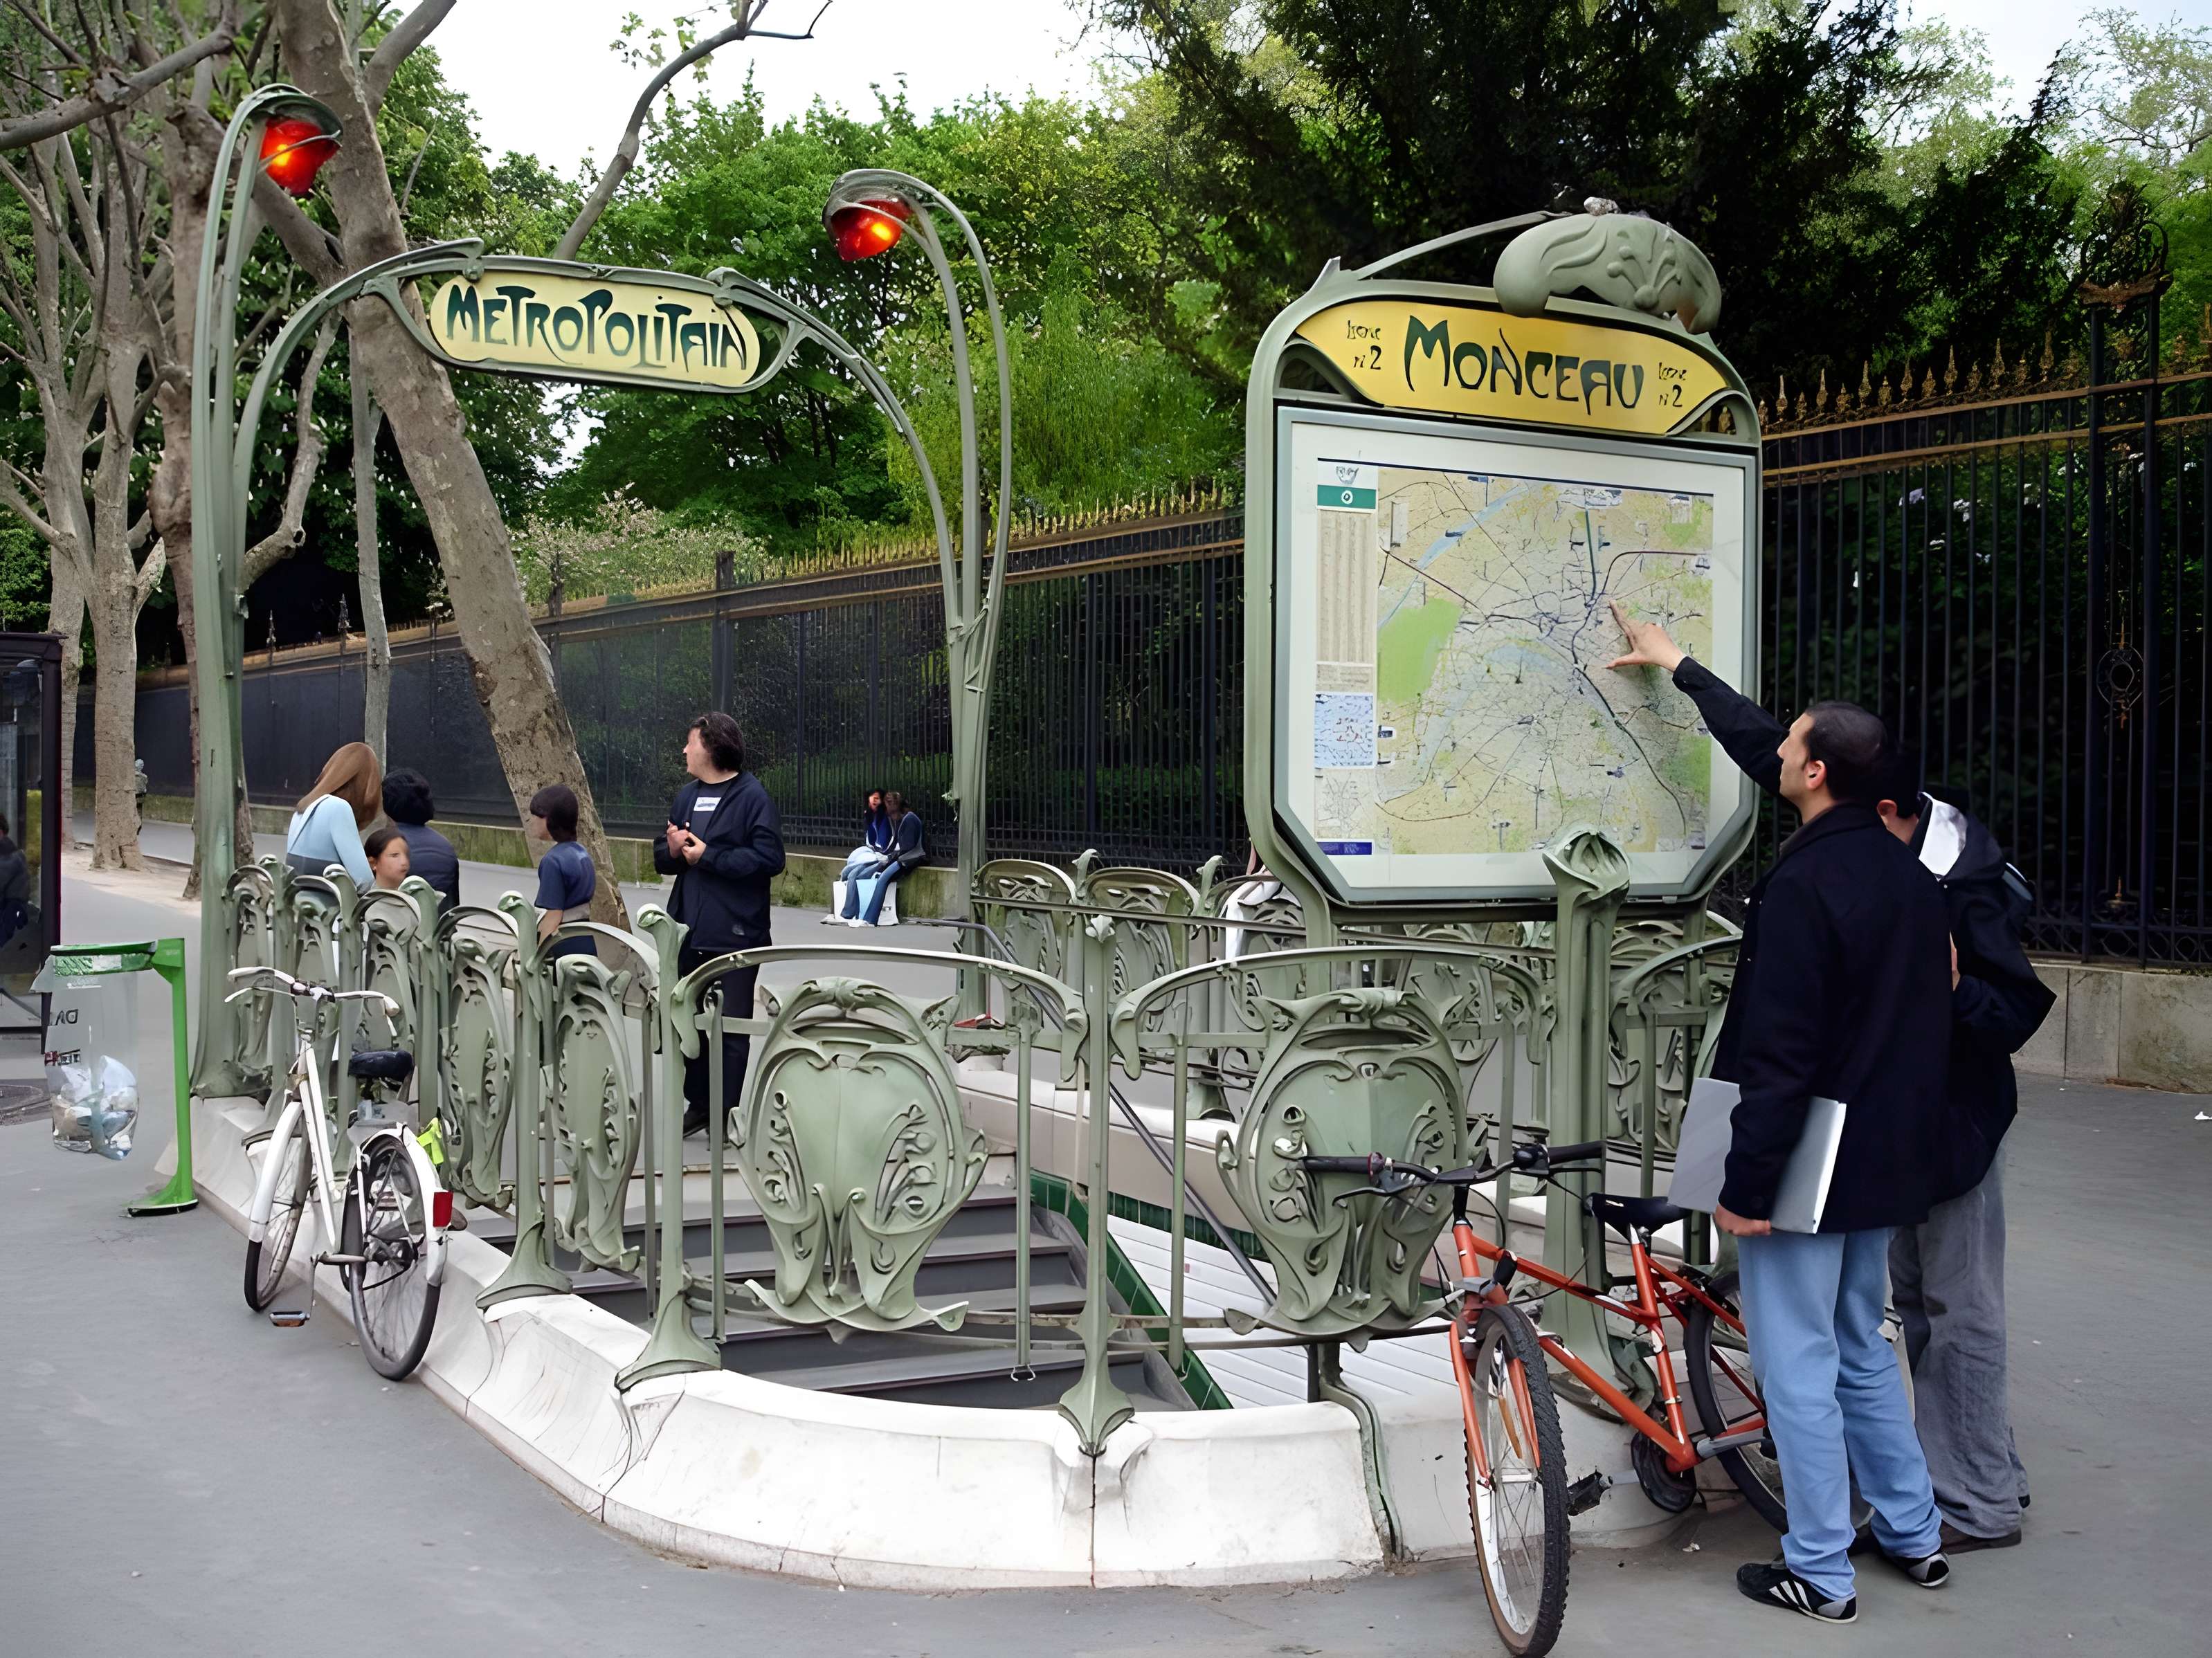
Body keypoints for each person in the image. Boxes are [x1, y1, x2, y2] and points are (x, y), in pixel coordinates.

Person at [1609, 601, 2054, 1551]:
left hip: (1950, 1124)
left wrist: (1950, 994)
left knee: (1951, 1308)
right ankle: (1929, 1505)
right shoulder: (1867, 833)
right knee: (1874, 1320)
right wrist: (1677, 664)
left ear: (1881, 809)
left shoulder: (1950, 874)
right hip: (1867, 1125)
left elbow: (2015, 1009)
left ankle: (1971, 1499)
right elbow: (1773, 745)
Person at [1695, 698, 1957, 1623]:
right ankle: (1915, 1534)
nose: (1782, 750)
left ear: (1813, 773)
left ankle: (1820, 1567)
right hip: (1885, 1157)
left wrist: (1746, 1186)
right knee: (1858, 1346)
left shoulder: (1804, 886)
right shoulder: (1910, 878)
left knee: (1797, 1361)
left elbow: (1782, 1051)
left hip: (1808, 1161)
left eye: (1792, 741)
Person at [653, 713, 784, 1136]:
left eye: (690, 743)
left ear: (710, 747)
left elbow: (770, 859)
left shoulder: (752, 795)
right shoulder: (687, 795)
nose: (684, 751)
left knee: (729, 1028)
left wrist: (708, 856)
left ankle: (725, 1111)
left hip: (736, 933)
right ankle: (699, 1103)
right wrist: (672, 850)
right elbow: (663, 857)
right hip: (688, 931)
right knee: (686, 1022)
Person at [284, 743, 379, 888]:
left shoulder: (304, 806)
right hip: (328, 906)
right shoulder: (338, 808)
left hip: (298, 902)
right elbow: (364, 881)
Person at [525, 784, 597, 960]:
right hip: (584, 938)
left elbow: (552, 916)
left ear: (550, 820)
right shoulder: (582, 853)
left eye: (536, 816)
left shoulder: (553, 861)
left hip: (562, 946)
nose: (531, 821)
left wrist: (538, 958)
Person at [382, 769, 462, 915]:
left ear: (387, 804)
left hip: (399, 931)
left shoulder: (384, 844)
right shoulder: (446, 846)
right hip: (440, 930)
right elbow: (452, 905)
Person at [840, 789, 922, 927]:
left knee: (883, 879)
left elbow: (907, 849)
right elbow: (894, 843)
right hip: (901, 859)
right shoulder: (901, 820)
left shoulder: (910, 819)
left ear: (895, 807)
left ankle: (871, 919)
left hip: (907, 861)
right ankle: (856, 914)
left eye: (890, 811)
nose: (889, 816)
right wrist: (884, 855)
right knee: (860, 874)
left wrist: (890, 858)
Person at [827, 790, 894, 922]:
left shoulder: (887, 821)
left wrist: (879, 854)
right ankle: (842, 910)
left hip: (882, 859)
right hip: (872, 856)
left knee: (852, 876)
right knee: (845, 873)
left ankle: (848, 912)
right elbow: (871, 843)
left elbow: (886, 845)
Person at [363, 826, 412, 892]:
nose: (404, 862)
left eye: (406, 854)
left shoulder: (415, 892)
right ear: (373, 863)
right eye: (395, 855)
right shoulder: (370, 900)